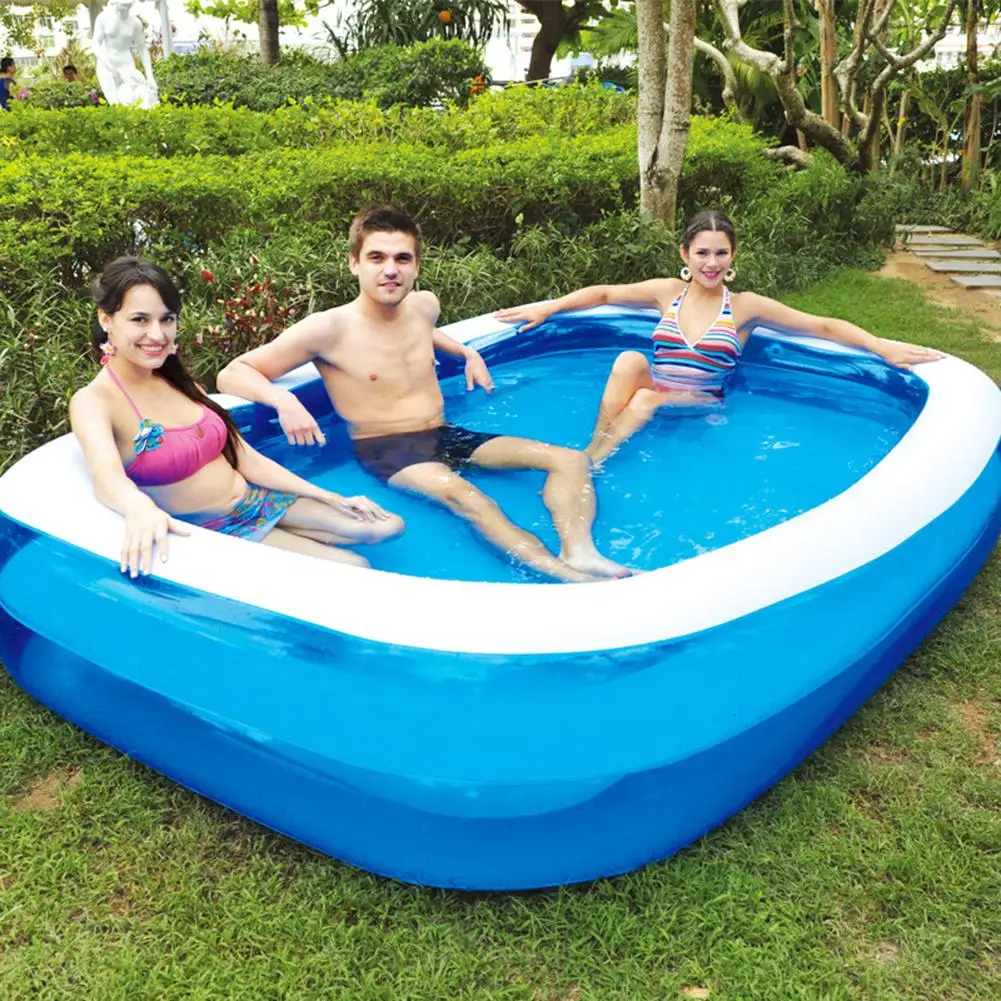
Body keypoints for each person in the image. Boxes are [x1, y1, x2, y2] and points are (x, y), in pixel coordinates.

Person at [217, 204, 630, 584]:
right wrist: (284, 400)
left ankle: (580, 552)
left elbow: (421, 332)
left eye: (402, 259)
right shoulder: (328, 330)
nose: (390, 270)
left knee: (570, 460)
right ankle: (565, 577)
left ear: (416, 267)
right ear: (354, 263)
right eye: (376, 258)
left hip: (443, 433)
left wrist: (465, 352)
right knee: (470, 499)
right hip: (388, 448)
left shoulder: (424, 306)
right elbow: (233, 372)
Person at [496, 209, 945, 466]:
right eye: (702, 253)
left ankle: (591, 465)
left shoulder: (744, 307)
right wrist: (548, 308)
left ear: (733, 256)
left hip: (701, 402)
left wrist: (879, 345)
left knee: (645, 399)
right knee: (629, 361)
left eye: (721, 253)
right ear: (685, 254)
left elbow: (821, 326)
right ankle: (591, 448)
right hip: (658, 389)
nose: (711, 263)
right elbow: (605, 293)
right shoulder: (667, 293)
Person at [70, 258, 404, 580]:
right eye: (140, 320)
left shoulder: (178, 383)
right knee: (355, 566)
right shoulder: (94, 401)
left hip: (254, 500)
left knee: (387, 526)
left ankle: (299, 541)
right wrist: (138, 507)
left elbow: (244, 457)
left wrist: (328, 496)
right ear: (106, 319)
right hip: (218, 528)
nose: (157, 334)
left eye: (166, 319)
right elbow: (106, 476)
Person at [91, 0, 158, 108]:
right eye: (123, 5)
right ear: (115, 3)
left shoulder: (135, 23)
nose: (126, 8)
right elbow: (95, 44)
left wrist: (150, 76)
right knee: (116, 103)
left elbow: (142, 48)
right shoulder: (104, 18)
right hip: (107, 64)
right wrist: (110, 67)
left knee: (133, 99)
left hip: (126, 64)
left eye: (128, 5)